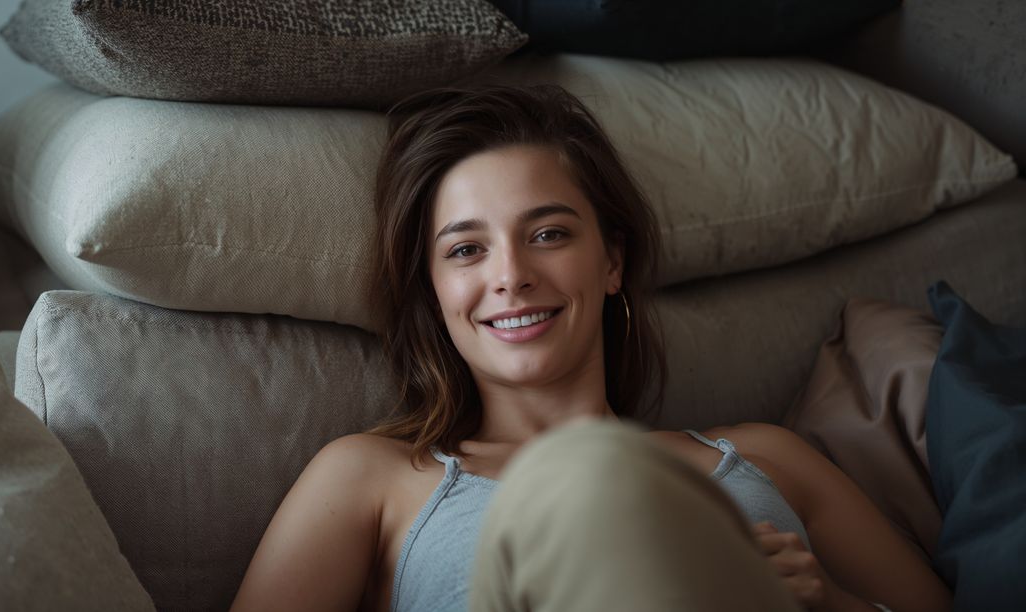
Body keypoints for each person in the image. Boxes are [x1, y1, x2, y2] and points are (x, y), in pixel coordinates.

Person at [230, 84, 951, 612]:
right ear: (434, 293)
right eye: (466, 249)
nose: (510, 275)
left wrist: (829, 603)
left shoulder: (766, 455)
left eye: (548, 234)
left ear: (611, 262)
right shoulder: (371, 479)